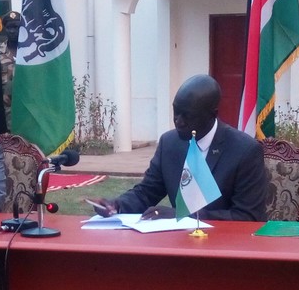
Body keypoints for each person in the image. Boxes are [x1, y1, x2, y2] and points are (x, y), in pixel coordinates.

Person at [89, 74, 269, 221]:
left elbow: (247, 216)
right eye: (176, 112)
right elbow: (147, 192)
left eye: (187, 116)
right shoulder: (169, 143)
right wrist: (118, 205)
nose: (178, 121)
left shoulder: (244, 151)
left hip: (224, 250)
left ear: (212, 115)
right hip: (176, 246)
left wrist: (185, 217)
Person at [0, 11, 20, 130]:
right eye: (9, 27)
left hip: (26, 105)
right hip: (4, 108)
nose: (12, 31)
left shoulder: (30, 53)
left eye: (16, 27)